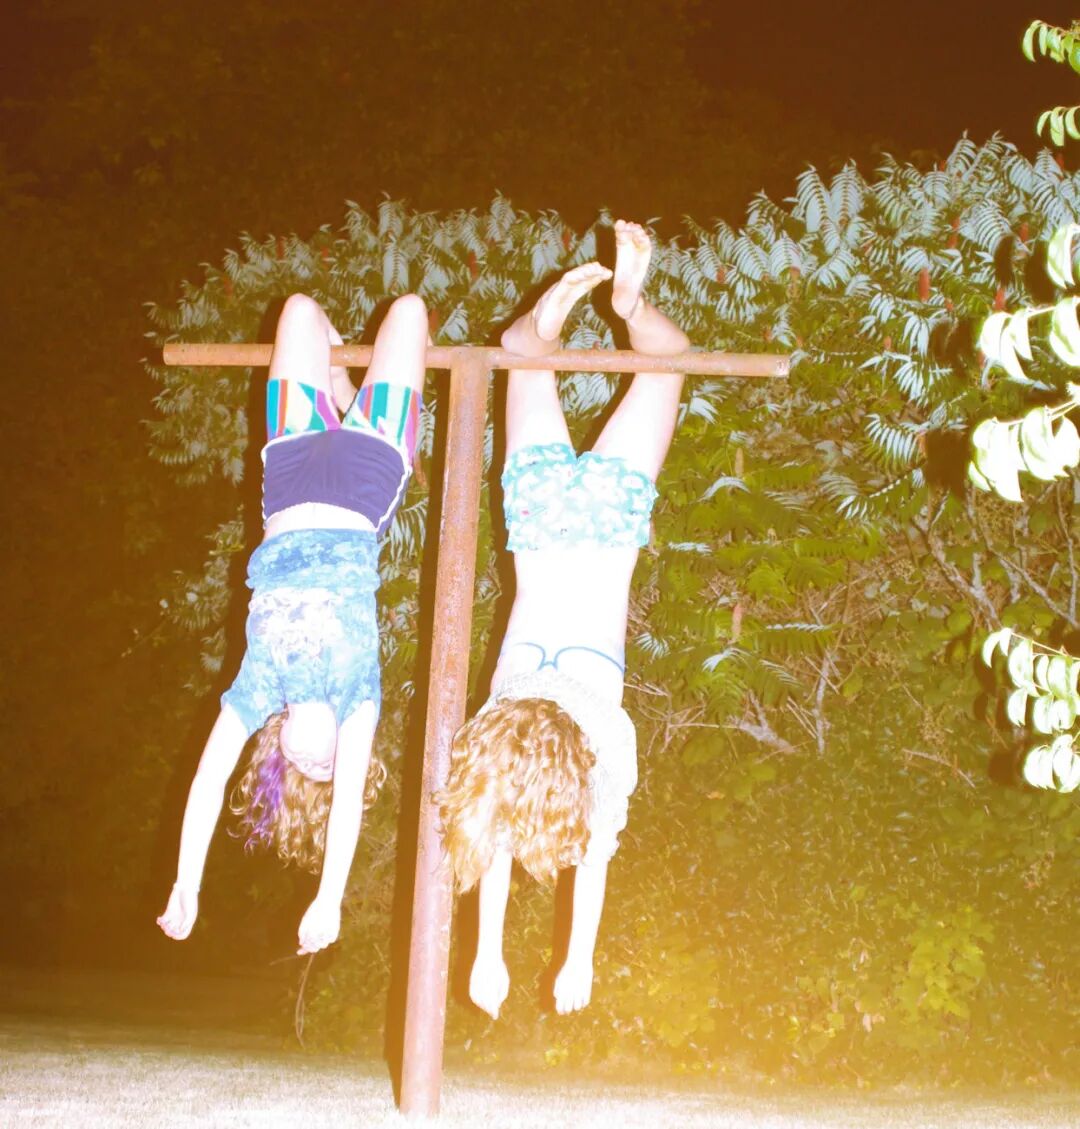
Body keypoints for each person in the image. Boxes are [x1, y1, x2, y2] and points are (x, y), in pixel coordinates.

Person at [437, 221, 689, 1016]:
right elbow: (492, 829)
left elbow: (587, 859)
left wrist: (577, 960)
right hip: (541, 519)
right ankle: (564, 318)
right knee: (522, 352)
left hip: (609, 521)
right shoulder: (498, 720)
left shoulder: (602, 749)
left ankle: (632, 303)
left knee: (670, 361)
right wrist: (487, 954)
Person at [157, 290, 427, 955]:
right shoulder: (358, 695)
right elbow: (346, 809)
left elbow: (208, 781)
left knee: (301, 310)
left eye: (301, 764)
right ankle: (347, 395)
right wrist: (329, 897)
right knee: (410, 312)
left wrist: (186, 882)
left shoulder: (257, 689)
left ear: (277, 744)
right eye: (330, 764)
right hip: (369, 476)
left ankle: (337, 385)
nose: (316, 758)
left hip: (289, 470)